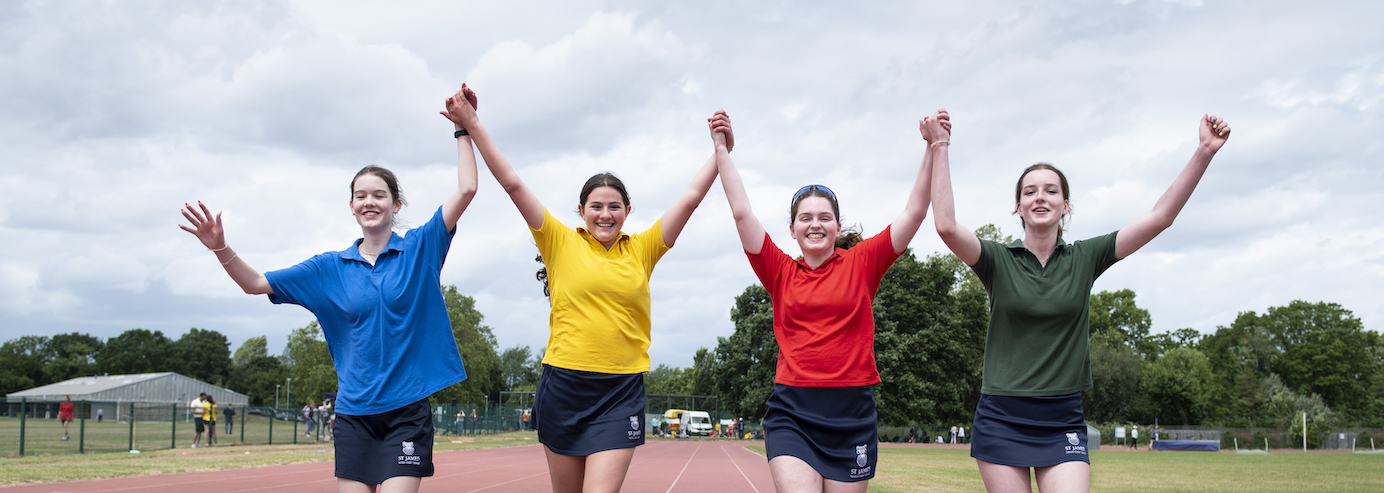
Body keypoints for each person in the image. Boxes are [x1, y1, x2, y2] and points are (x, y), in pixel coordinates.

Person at [179, 86, 480, 493]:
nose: (369, 202)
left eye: (379, 195)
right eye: (361, 196)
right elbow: (255, 284)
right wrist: (220, 248)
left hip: (407, 412)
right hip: (355, 415)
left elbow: (466, 190)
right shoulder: (326, 269)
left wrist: (464, 130)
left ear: (396, 205)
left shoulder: (421, 248)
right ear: (352, 206)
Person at [931, 111, 1231, 493]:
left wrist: (1204, 151)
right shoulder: (996, 260)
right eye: (1030, 191)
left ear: (1065, 206)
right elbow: (945, 226)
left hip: (1062, 416)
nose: (1040, 196)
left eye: (1051, 190)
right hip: (1002, 415)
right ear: (1018, 208)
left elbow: (1160, 218)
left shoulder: (1085, 258)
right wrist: (940, 146)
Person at [442, 84, 719, 493]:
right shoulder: (558, 240)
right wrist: (472, 125)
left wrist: (720, 151)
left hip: (620, 391)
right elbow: (513, 183)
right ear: (581, 209)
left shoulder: (642, 249)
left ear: (628, 210)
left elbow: (691, 198)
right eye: (596, 206)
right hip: (565, 388)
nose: (605, 214)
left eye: (614, 206)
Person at [708, 108, 943, 493]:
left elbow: (915, 211)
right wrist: (722, 149)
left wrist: (934, 147)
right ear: (793, 229)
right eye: (805, 218)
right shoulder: (778, 270)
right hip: (792, 412)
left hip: (851, 414)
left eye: (824, 217)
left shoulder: (864, 262)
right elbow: (741, 212)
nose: (815, 224)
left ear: (837, 225)